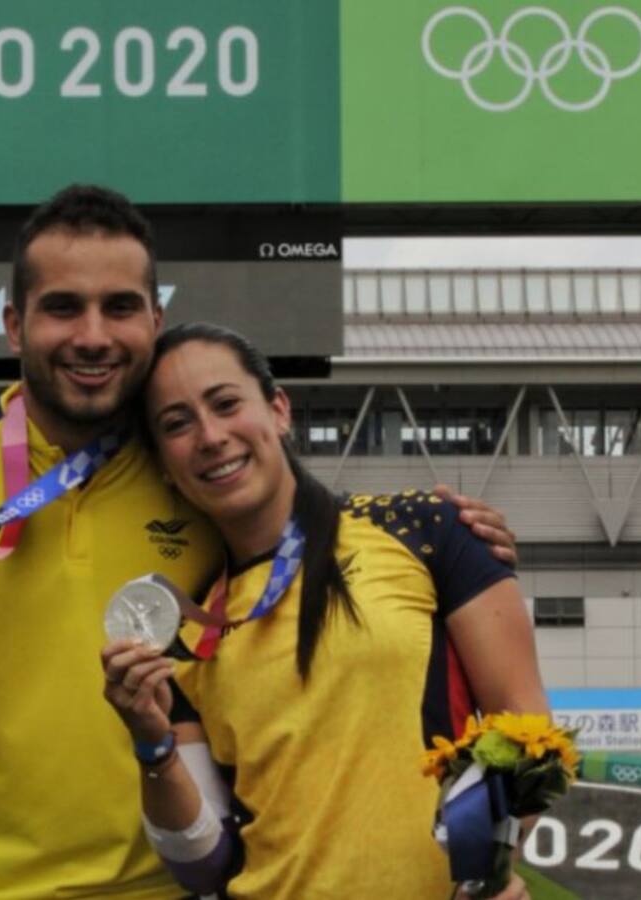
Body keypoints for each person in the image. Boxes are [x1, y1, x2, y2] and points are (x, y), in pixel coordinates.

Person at [0, 185, 519, 899]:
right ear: (14, 325)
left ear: (154, 318)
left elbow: (301, 526)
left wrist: (449, 536)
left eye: (120, 307)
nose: (93, 336)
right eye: (62, 307)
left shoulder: (193, 472)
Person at [100, 322, 548, 899]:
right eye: (176, 424)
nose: (210, 436)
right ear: (164, 462)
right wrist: (152, 743)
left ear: (278, 409)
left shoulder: (425, 529)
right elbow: (204, 864)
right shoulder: (185, 633)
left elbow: (529, 728)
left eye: (226, 403)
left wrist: (490, 867)